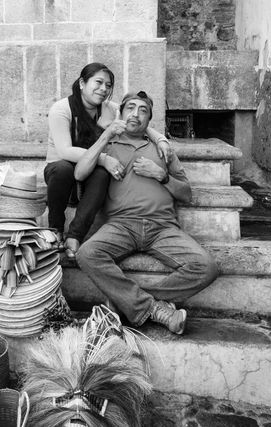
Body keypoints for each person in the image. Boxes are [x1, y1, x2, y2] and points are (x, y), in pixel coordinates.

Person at [74, 90, 219, 335]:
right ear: (121, 113)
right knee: (87, 253)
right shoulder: (107, 146)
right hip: (121, 225)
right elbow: (79, 172)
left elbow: (186, 194)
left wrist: (161, 176)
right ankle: (155, 310)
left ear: (149, 120)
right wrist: (105, 140)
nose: (136, 114)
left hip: (162, 227)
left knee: (206, 267)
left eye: (143, 110)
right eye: (130, 108)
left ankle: (130, 304)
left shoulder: (163, 149)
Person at [44, 63, 170, 258]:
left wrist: (160, 139)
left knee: (102, 175)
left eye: (108, 85)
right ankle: (55, 229)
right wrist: (104, 159)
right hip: (61, 169)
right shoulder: (61, 109)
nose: (104, 89)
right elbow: (64, 150)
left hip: (92, 168)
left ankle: (75, 235)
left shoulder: (110, 109)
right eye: (98, 82)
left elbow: (135, 121)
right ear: (82, 83)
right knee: (63, 170)